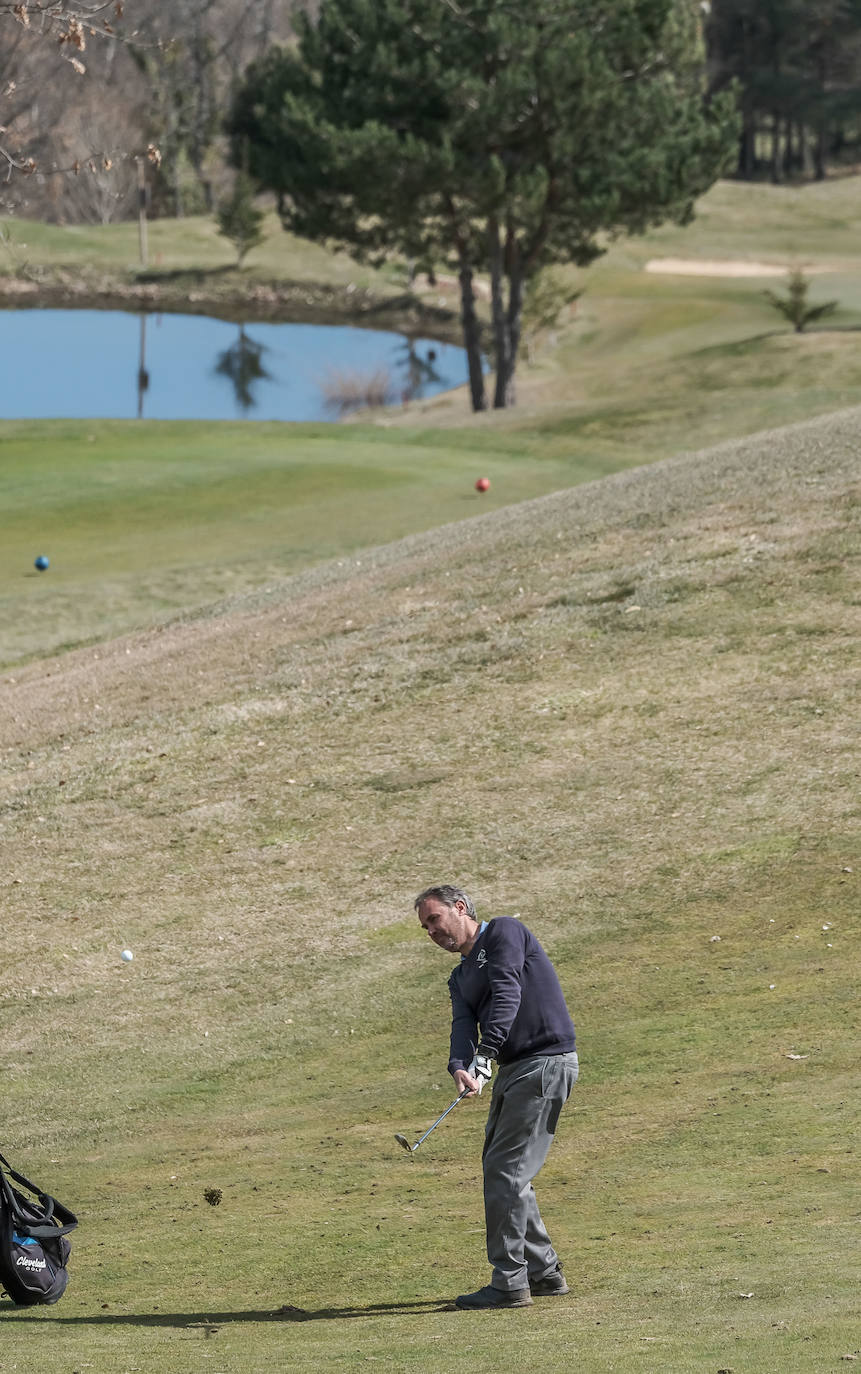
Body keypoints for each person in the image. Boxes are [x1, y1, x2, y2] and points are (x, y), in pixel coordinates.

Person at [414, 883, 579, 1310]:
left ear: (461, 907)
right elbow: (462, 1027)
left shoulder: (505, 932)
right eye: (425, 926)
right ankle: (544, 1272)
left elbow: (508, 989)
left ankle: (509, 1281)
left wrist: (485, 1055)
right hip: (513, 1070)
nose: (431, 931)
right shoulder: (460, 976)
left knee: (505, 1171)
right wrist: (460, 1067)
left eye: (434, 918)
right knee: (504, 1169)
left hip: (544, 1061)